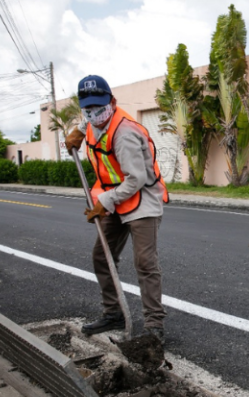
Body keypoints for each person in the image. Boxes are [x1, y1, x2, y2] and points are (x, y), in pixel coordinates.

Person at [64, 75, 170, 340]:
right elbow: (88, 122)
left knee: (145, 262)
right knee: (102, 256)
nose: (93, 113)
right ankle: (113, 313)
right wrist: (78, 131)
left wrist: (105, 201)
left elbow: (136, 179)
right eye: (87, 108)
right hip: (114, 198)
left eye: (99, 107)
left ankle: (154, 326)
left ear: (112, 102)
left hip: (142, 199)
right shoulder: (91, 122)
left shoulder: (125, 133)